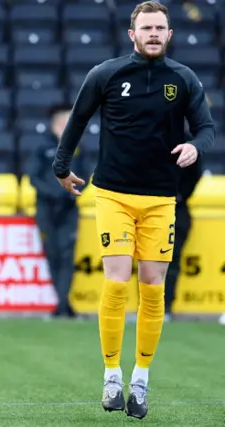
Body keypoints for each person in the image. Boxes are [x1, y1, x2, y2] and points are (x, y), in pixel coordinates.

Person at [52, 1, 214, 420]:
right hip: (113, 194)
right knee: (117, 282)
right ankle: (111, 375)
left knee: (153, 287)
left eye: (161, 27)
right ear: (132, 34)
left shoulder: (183, 79)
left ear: (170, 34)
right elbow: (77, 120)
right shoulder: (106, 74)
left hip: (162, 198)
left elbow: (208, 128)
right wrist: (61, 167)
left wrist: (196, 146)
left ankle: (140, 379)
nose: (154, 33)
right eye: (147, 27)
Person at [27, 105, 89, 318]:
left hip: (69, 208)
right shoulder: (41, 146)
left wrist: (70, 193)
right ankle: (63, 304)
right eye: (63, 122)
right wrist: (53, 193)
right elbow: (33, 178)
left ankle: (63, 305)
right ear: (55, 124)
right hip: (46, 209)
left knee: (67, 255)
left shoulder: (77, 147)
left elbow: (85, 176)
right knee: (53, 255)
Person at [164, 128, 204, 319]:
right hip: (149, 207)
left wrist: (178, 196)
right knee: (147, 261)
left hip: (176, 209)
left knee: (172, 261)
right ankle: (149, 307)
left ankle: (165, 307)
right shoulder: (144, 131)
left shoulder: (187, 141)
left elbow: (194, 174)